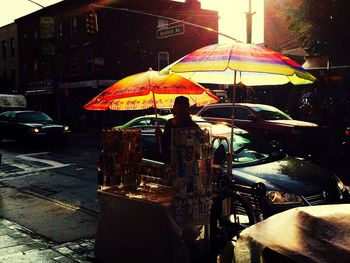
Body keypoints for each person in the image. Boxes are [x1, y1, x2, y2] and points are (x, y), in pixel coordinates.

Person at [156, 96, 200, 163]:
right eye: (179, 106)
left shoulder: (192, 126)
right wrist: (159, 136)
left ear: (187, 109)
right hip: (171, 162)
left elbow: (198, 146)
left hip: (188, 164)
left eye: (184, 107)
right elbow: (164, 144)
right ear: (175, 108)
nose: (181, 109)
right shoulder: (169, 123)